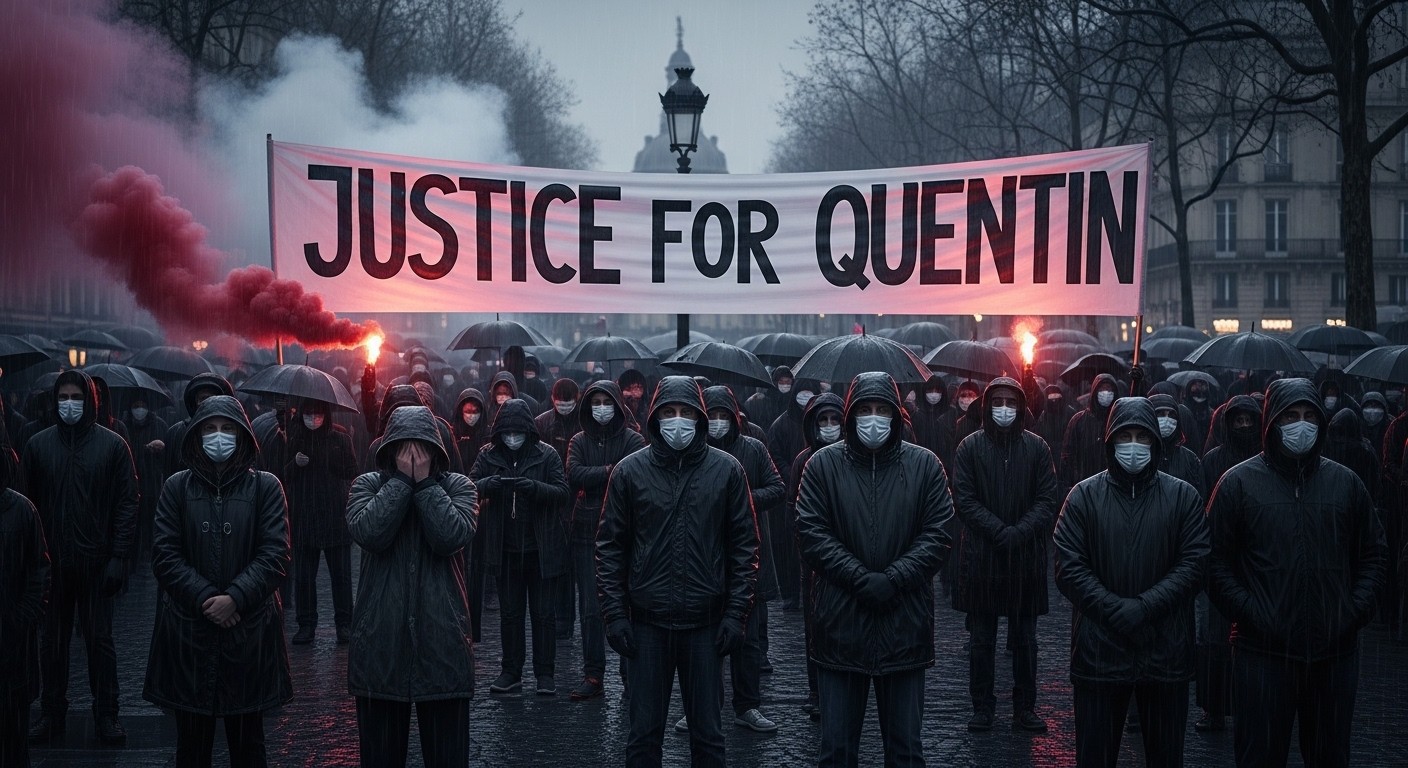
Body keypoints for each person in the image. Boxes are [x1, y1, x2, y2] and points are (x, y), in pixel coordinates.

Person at [1207, 378, 1387, 768]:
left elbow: (1373, 555)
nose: (1300, 425)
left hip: (1332, 655)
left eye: (1309, 415)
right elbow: (1215, 562)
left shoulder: (1345, 483)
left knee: (1329, 755)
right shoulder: (1238, 483)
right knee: (1259, 754)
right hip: (1262, 654)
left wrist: (1351, 612)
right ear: (1272, 420)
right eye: (1291, 415)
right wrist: (1252, 613)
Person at [597, 375, 758, 768]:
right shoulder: (629, 472)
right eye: (669, 413)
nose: (678, 422)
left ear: (700, 417)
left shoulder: (727, 470)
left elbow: (745, 548)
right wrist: (616, 614)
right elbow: (610, 548)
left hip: (705, 625)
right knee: (643, 737)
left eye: (686, 413)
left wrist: (736, 614)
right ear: (655, 418)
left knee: (708, 737)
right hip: (647, 625)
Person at [795, 372, 953, 767]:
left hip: (903, 625)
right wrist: (860, 578)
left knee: (904, 750)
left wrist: (894, 578)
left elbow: (939, 533)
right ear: (850, 415)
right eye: (864, 410)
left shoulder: (925, 466)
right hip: (840, 624)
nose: (873, 419)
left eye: (882, 410)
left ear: (897, 415)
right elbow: (812, 532)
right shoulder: (822, 466)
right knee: (836, 750)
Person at [1053, 395, 1209, 768]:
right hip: (1099, 654)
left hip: (1165, 653)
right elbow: (1068, 565)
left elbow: (1195, 563)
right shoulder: (1084, 497)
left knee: (1165, 756)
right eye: (1126, 437)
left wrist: (1145, 607)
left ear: (1155, 443)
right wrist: (1112, 608)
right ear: (1111, 442)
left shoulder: (1182, 496)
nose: (1134, 447)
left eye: (1142, 437)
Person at [143, 395, 292, 768]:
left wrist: (236, 597)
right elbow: (164, 553)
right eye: (210, 429)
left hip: (249, 636)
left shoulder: (266, 488)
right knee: (192, 750)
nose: (219, 437)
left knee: (249, 747)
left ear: (242, 435)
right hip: (189, 637)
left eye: (227, 429)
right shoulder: (177, 488)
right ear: (196, 435)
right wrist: (208, 597)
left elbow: (275, 553)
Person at [346, 405, 477, 768]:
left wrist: (424, 486)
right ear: (388, 449)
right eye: (404, 447)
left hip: (443, 642)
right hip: (380, 646)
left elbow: (450, 535)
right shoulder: (367, 485)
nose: (413, 455)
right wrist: (402, 483)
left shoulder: (459, 487)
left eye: (420, 447)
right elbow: (370, 533)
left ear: (436, 450)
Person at [22, 369, 139, 746]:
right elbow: (28, 506)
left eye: (76, 396)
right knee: (51, 644)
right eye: (63, 397)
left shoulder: (113, 446)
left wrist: (119, 557)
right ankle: (51, 713)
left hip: (95, 563)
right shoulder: (38, 446)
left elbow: (127, 503)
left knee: (99, 643)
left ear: (90, 400)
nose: (69, 404)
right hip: (52, 565)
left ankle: (107, 714)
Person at [951, 377, 1058, 733]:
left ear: (1021, 406)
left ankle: (1024, 707)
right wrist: (999, 531)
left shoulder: (1037, 448)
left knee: (1026, 641)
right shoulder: (969, 447)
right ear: (985, 406)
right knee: (981, 641)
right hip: (982, 558)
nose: (1004, 409)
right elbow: (964, 499)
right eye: (997, 402)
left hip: (1024, 560)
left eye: (1011, 402)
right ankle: (982, 707)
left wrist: (1020, 531)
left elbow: (1047, 499)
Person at [684, 385, 784, 733]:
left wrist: (741, 499)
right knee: (703, 640)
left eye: (723, 416)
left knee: (749, 639)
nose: (718, 423)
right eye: (711, 416)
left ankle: (748, 705)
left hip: (747, 556)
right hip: (704, 559)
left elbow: (777, 487)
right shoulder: (692, 453)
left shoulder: (753, 449)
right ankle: (702, 705)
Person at [470, 398, 570, 696]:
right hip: (506, 550)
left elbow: (562, 491)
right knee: (511, 614)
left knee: (543, 614)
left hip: (541, 549)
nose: (513, 438)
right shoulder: (487, 455)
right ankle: (511, 671)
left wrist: (536, 489)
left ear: (528, 431)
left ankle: (545, 673)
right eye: (507, 433)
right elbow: (470, 485)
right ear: (499, 432)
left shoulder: (546, 455)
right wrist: (491, 483)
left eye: (519, 432)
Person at [564, 381, 646, 701]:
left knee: (627, 601)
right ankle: (593, 673)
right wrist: (611, 470)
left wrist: (600, 473)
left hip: (626, 531)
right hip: (587, 530)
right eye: (595, 401)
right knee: (590, 607)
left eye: (606, 401)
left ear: (615, 404)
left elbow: (635, 477)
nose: (601, 407)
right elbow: (574, 474)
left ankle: (630, 672)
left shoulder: (633, 439)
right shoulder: (579, 440)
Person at [1194, 394, 1261, 733]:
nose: (1244, 426)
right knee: (1213, 640)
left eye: (1250, 421)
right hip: (1219, 559)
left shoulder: (1268, 460)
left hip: (1257, 562)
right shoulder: (1212, 460)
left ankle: (1252, 706)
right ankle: (1213, 708)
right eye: (1239, 421)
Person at [784, 391, 844, 721]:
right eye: (824, 420)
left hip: (847, 556)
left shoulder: (850, 458)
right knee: (814, 629)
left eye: (836, 420)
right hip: (814, 563)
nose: (830, 426)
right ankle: (816, 691)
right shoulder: (803, 460)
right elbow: (795, 511)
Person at [279, 400, 358, 646]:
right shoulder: (294, 440)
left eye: (318, 412)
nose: (313, 418)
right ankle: (306, 625)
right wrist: (295, 464)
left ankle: (344, 624)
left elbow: (351, 471)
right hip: (305, 516)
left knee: (341, 577)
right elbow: (283, 476)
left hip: (334, 516)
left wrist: (333, 461)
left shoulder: (340, 440)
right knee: (304, 578)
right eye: (308, 413)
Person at [0, 438, 48, 768]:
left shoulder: (21, 511)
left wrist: (23, 615)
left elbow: (39, 570)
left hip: (12, 640)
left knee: (13, 727)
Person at [536, 378, 582, 639]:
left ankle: (566, 617)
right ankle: (560, 618)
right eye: (560, 401)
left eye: (569, 401)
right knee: (558, 566)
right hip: (552, 501)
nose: (564, 406)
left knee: (573, 567)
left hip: (578, 499)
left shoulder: (583, 422)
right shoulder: (543, 423)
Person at [452, 388, 491, 642]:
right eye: (467, 410)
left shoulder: (488, 440)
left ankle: (472, 626)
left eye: (476, 410)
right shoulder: (453, 436)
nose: (472, 415)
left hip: (482, 508)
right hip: (457, 506)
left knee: (477, 568)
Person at [123, 396, 169, 562]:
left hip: (152, 483)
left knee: (150, 521)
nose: (139, 409)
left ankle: (149, 553)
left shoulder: (160, 425)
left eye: (143, 405)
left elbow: (167, 457)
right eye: (136, 405)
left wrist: (160, 449)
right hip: (130, 483)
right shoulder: (124, 426)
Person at [1060, 373, 1120, 489]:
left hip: (1112, 486)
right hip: (1084, 484)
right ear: (1095, 391)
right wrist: (1070, 485)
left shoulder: (1117, 420)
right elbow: (1068, 456)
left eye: (1109, 389)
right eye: (1102, 388)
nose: (1106, 393)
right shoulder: (1079, 420)